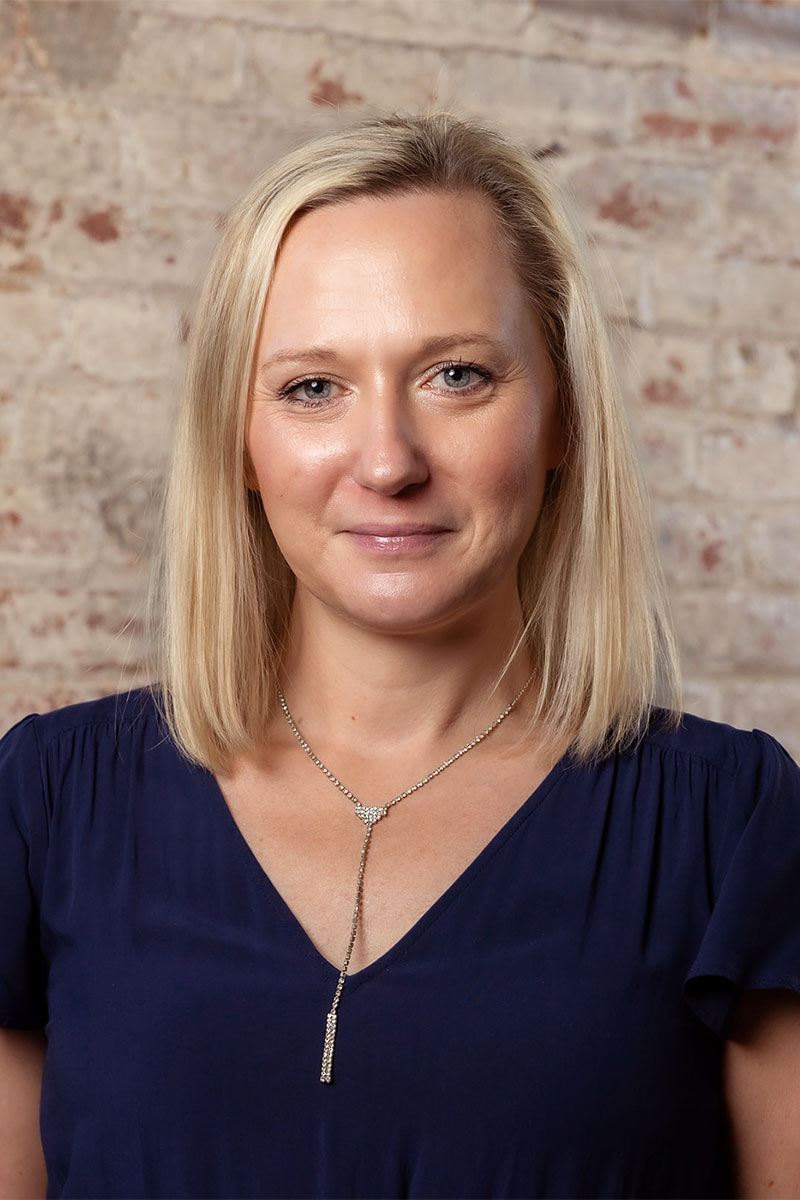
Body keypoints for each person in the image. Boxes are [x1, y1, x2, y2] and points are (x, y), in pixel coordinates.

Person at [1, 111, 799, 1200]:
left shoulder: (730, 824)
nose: (386, 460)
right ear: (237, 437)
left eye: (457, 375)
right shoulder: (46, 803)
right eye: (312, 387)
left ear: (560, 414)